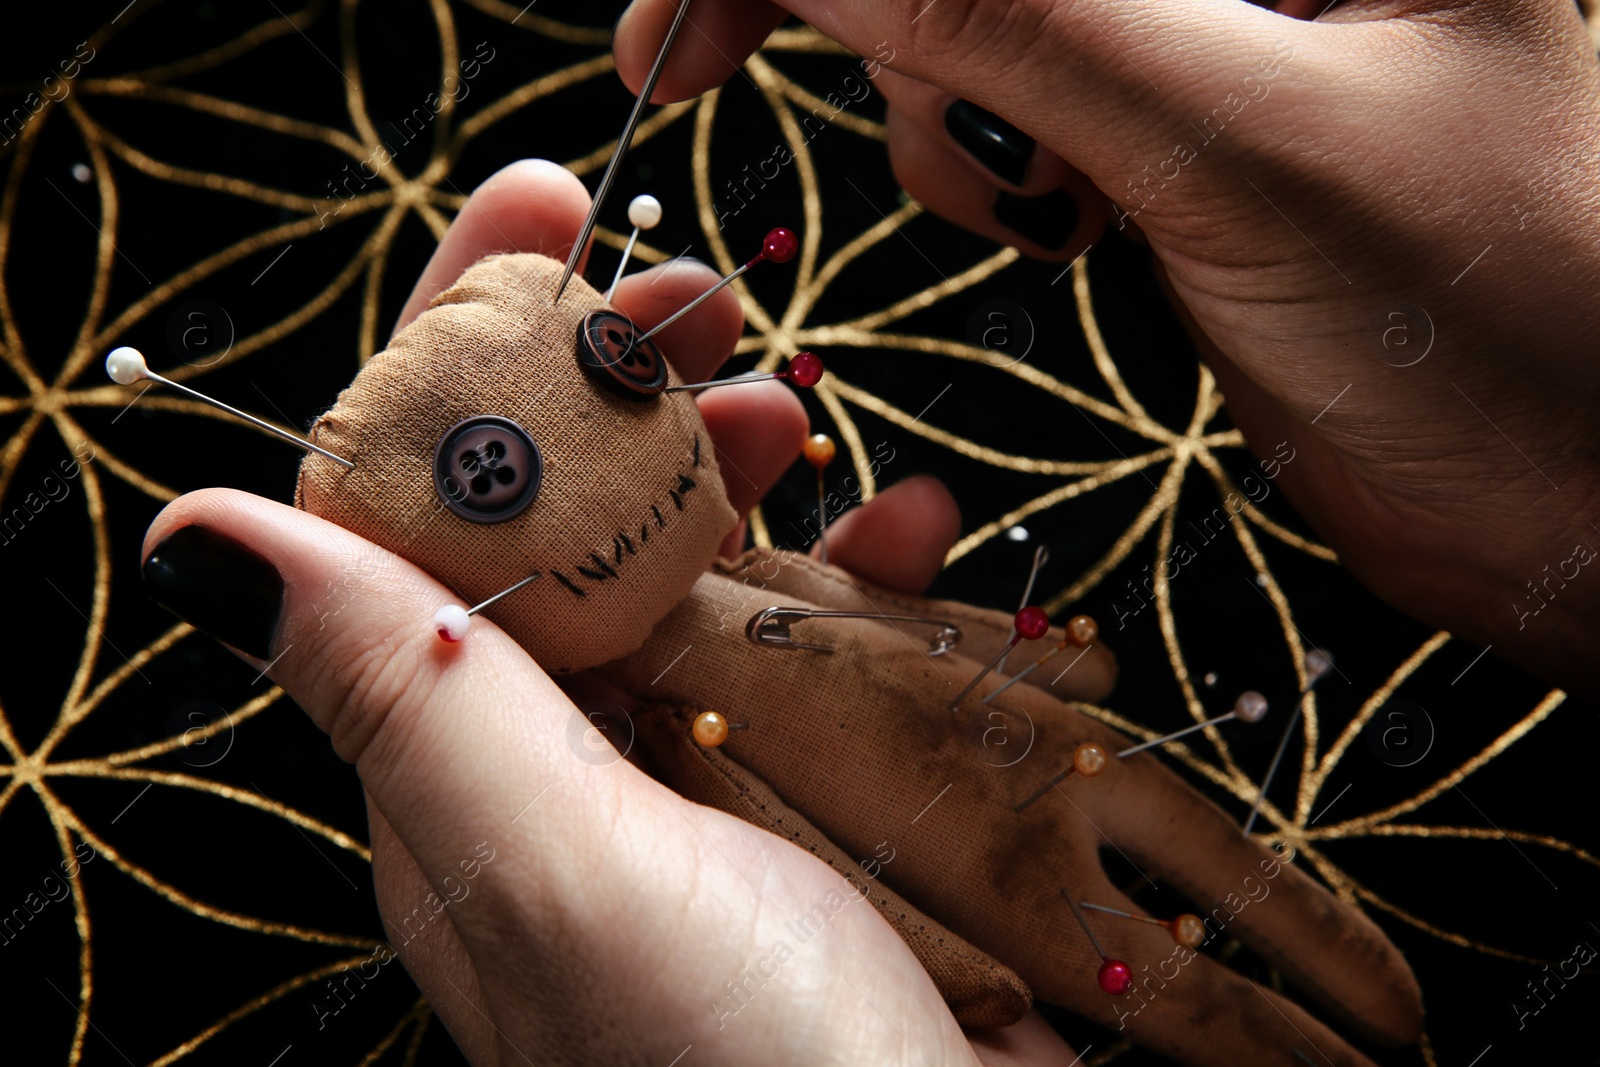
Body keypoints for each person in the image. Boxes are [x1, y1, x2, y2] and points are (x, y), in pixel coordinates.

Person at [137, 0, 1600, 1061]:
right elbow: (768, 839)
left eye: (618, 365)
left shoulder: (724, 556)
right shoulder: (629, 745)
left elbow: (855, 620)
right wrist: (939, 981)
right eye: (492, 480)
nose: (626, 439)